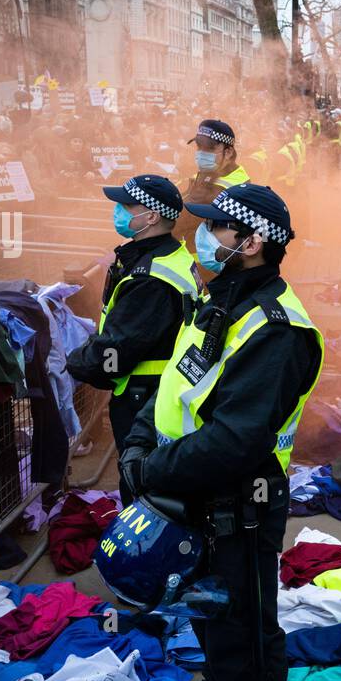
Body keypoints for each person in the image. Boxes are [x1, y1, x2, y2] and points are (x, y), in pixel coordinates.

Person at [118, 183, 324, 681]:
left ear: (252, 242)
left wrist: (151, 468)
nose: (199, 236)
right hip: (193, 494)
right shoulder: (219, 300)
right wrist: (137, 444)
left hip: (240, 505)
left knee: (245, 633)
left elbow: (235, 439)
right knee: (208, 614)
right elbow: (175, 389)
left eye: (215, 228)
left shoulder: (277, 330)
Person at [66, 175, 199, 486]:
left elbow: (116, 350)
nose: (118, 211)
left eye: (126, 205)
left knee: (141, 486)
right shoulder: (172, 255)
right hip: (160, 391)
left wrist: (71, 361)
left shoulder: (150, 279)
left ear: (151, 216)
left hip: (146, 396)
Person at [175, 119, 250, 245]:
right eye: (199, 146)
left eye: (209, 148)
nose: (201, 153)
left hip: (203, 261)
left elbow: (180, 220)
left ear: (228, 152)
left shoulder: (229, 188)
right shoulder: (210, 173)